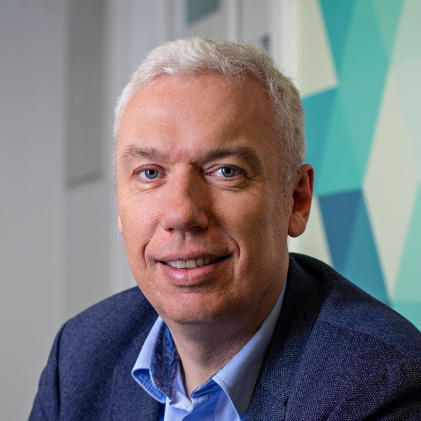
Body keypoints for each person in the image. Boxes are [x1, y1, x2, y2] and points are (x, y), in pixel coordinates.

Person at [30, 37, 421, 420]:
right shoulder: (80, 355)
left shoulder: (380, 387)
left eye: (226, 171)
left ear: (296, 200)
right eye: (149, 173)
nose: (181, 214)